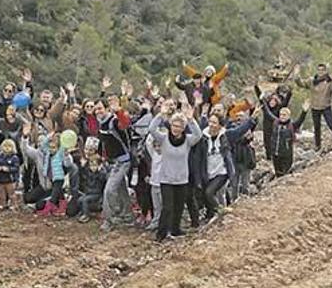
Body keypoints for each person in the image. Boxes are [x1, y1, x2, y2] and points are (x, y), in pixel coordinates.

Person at [148, 101, 204, 242]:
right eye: (174, 125)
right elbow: (152, 129)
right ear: (170, 125)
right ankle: (161, 234)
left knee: (179, 207)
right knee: (167, 208)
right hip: (166, 179)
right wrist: (161, 114)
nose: (176, 128)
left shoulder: (188, 141)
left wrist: (191, 119)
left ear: (183, 128)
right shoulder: (164, 138)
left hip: (181, 179)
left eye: (179, 126)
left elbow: (198, 135)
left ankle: (175, 229)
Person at [96, 99, 136, 231]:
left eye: (100, 108)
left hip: (123, 161)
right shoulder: (101, 124)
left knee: (109, 190)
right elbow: (104, 144)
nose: (98, 111)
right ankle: (128, 216)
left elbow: (124, 124)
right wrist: (102, 157)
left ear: (107, 109)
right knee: (121, 189)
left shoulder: (113, 121)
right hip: (112, 162)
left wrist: (118, 111)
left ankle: (110, 219)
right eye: (96, 109)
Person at [296, 63, 332, 150]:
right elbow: (301, 84)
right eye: (319, 70)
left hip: (326, 107)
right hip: (315, 107)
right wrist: (297, 76)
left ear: (325, 71)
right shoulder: (312, 81)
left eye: (322, 70)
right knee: (317, 127)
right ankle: (318, 146)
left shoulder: (329, 81)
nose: (320, 72)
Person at [201, 113, 236, 223]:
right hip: (208, 171)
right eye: (210, 121)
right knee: (205, 195)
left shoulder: (225, 136)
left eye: (214, 122)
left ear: (220, 125)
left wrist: (252, 120)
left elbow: (239, 131)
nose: (211, 125)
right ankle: (211, 215)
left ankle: (221, 211)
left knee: (209, 192)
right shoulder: (203, 137)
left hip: (222, 171)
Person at [264, 102, 308, 177]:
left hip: (286, 155)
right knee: (278, 174)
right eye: (280, 114)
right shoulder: (275, 122)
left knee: (285, 175)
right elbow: (268, 113)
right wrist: (262, 101)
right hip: (275, 154)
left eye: (284, 115)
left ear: (288, 116)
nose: (282, 116)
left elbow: (300, 120)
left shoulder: (292, 125)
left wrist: (304, 111)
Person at [226, 109, 258, 203]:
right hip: (234, 159)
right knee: (234, 184)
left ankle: (245, 202)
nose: (239, 118)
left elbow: (248, 138)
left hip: (246, 159)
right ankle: (234, 202)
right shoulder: (231, 128)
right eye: (237, 116)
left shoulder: (248, 128)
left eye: (241, 116)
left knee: (245, 183)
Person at [75, 137, 107, 223]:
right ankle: (83, 212)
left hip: (96, 193)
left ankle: (86, 215)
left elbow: (103, 179)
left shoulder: (100, 172)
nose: (92, 167)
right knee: (80, 200)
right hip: (88, 192)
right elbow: (83, 176)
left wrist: (100, 170)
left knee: (85, 200)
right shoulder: (86, 167)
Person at [0, 139, 21, 210]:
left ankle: (14, 204)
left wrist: (8, 169)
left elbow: (16, 168)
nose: (7, 148)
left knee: (11, 194)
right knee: (2, 194)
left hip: (10, 179)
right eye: (5, 146)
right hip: (0, 179)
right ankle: (2, 204)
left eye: (9, 146)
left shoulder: (14, 158)